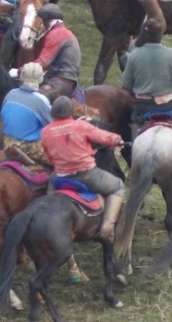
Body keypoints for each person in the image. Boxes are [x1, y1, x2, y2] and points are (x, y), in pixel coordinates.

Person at [41, 96, 125, 240]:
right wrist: (117, 140)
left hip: (60, 176)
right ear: (71, 111)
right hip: (87, 175)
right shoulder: (81, 126)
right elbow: (102, 136)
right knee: (118, 186)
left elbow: (49, 157)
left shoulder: (45, 131)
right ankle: (107, 227)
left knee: (50, 186)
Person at [121, 19, 172, 138]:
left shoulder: (134, 55)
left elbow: (126, 84)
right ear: (161, 35)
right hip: (169, 103)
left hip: (142, 105)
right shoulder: (171, 54)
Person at [1, 62, 51, 166]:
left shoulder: (10, 93)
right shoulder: (41, 100)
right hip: (28, 147)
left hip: (7, 142)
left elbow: (4, 116)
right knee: (63, 159)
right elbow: (52, 126)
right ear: (40, 78)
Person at [33, 3, 82, 102]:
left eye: (41, 21)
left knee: (36, 100)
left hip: (60, 81)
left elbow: (42, 62)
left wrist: (19, 71)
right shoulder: (62, 32)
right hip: (57, 77)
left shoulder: (56, 34)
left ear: (49, 22)